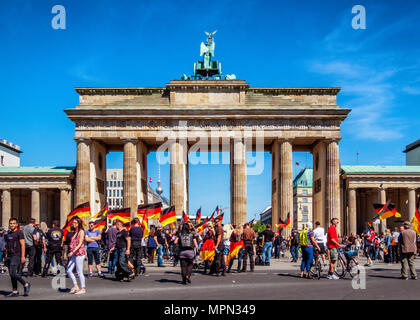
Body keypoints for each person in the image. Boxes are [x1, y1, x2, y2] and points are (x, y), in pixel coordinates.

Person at [4, 218, 31, 297]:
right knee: (11, 274)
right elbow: (6, 246)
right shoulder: (8, 234)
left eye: (13, 223)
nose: (11, 225)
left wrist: (23, 256)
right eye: (10, 223)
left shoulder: (19, 233)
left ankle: (26, 284)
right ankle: (15, 291)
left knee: (13, 273)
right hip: (9, 255)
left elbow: (23, 245)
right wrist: (6, 256)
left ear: (16, 224)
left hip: (16, 255)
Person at [66, 217, 86, 295]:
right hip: (74, 254)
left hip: (79, 253)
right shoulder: (75, 232)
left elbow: (80, 243)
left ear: (78, 224)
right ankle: (75, 285)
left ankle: (83, 288)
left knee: (79, 271)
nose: (72, 224)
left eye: (74, 223)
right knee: (68, 270)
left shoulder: (81, 231)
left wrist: (73, 252)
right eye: (73, 222)